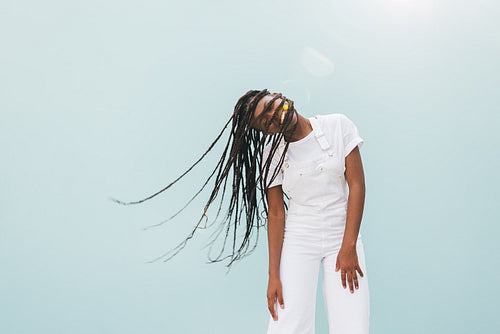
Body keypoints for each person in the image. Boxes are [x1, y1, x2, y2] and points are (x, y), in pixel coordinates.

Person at [109, 88, 369, 333]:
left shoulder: (337, 126)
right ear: (265, 132)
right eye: (264, 123)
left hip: (342, 235)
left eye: (269, 108)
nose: (272, 118)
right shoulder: (272, 154)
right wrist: (273, 276)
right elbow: (277, 214)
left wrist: (348, 247)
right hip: (299, 239)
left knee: (352, 322)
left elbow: (356, 184)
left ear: (278, 96)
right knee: (287, 324)